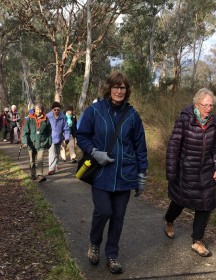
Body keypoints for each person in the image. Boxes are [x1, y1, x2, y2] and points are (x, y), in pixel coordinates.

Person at [76, 71, 148, 274]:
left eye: (123, 87)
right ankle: (95, 244)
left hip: (125, 174)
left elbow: (140, 147)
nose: (119, 90)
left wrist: (142, 174)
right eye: (116, 86)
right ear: (109, 88)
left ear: (127, 90)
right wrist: (94, 152)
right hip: (101, 174)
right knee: (104, 211)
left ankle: (112, 255)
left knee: (118, 216)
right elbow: (82, 136)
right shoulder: (95, 111)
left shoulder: (133, 115)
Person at [164, 88, 216, 258]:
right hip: (185, 171)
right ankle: (169, 220)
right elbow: (173, 146)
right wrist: (171, 172)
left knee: (205, 204)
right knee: (179, 201)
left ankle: (197, 241)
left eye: (211, 105)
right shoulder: (185, 119)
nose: (209, 108)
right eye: (205, 105)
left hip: (206, 172)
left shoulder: (214, 123)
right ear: (196, 104)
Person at [22, 103, 52, 183]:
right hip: (31, 143)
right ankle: (33, 174)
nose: (39, 111)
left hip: (41, 143)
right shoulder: (29, 118)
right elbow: (24, 131)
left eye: (40, 109)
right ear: (35, 110)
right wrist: (24, 142)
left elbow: (49, 132)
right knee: (32, 161)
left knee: (40, 159)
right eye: (37, 109)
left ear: (42, 110)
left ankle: (40, 175)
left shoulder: (46, 119)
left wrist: (49, 142)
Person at [46, 101, 70, 175]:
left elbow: (66, 128)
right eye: (55, 110)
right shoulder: (47, 117)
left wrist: (67, 138)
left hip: (59, 138)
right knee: (52, 153)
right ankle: (51, 169)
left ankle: (56, 164)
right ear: (52, 109)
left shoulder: (63, 117)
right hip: (51, 138)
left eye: (58, 110)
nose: (56, 111)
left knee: (57, 153)